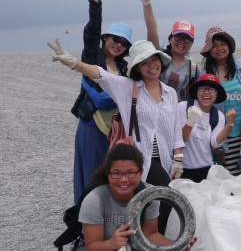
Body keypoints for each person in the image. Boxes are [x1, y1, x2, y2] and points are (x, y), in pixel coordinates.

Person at [49, 39, 185, 235]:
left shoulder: (170, 93)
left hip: (164, 159)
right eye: (145, 62)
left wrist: (178, 157)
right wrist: (73, 62)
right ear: (137, 67)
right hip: (137, 160)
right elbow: (100, 75)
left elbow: (175, 128)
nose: (151, 65)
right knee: (160, 198)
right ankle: (142, 243)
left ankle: (151, 243)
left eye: (154, 60)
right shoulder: (127, 87)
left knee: (152, 204)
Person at [72, 0, 133, 204]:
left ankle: (109, 219)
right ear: (105, 38)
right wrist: (94, 0)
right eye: (115, 39)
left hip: (116, 128)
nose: (118, 45)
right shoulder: (92, 56)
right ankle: (85, 224)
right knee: (91, 173)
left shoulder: (125, 68)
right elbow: (90, 32)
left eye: (123, 43)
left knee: (114, 173)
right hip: (91, 124)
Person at [199, 26, 241, 176]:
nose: (219, 48)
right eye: (214, 45)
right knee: (227, 180)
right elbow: (203, 106)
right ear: (209, 50)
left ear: (229, 46)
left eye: (222, 44)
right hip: (220, 136)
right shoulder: (205, 73)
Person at [135, 0, 199, 102]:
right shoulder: (159, 57)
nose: (182, 42)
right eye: (178, 37)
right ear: (170, 39)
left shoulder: (194, 69)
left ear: (191, 43)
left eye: (187, 39)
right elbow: (152, 29)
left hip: (179, 118)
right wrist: (147, 4)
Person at [178, 74, 236, 182]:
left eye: (212, 89)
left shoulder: (218, 116)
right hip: (183, 169)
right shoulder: (183, 107)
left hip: (206, 168)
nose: (206, 93)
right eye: (203, 88)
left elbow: (215, 143)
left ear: (217, 94)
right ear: (196, 91)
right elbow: (180, 139)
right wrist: (191, 121)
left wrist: (230, 124)